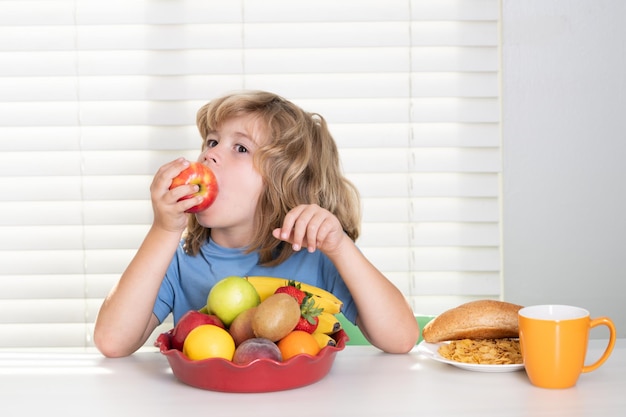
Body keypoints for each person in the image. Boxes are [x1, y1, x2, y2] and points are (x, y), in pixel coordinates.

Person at [94, 90, 419, 357]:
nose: (210, 155)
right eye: (211, 141)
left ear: (285, 183)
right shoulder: (178, 260)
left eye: (240, 147)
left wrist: (340, 247)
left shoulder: (315, 256)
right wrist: (164, 229)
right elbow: (112, 341)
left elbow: (401, 338)